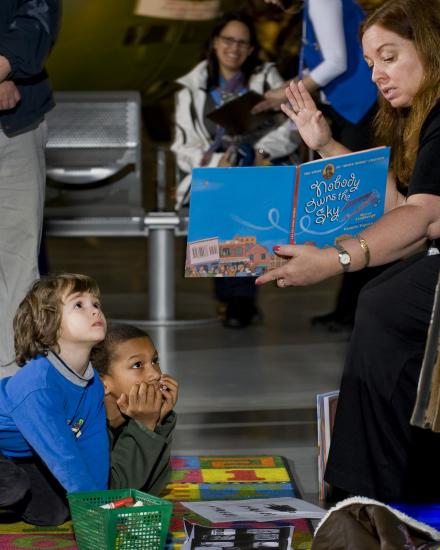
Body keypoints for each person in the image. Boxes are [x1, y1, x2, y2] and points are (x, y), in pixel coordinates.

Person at [256, 0, 440, 502]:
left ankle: (375, 492)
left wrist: (336, 259)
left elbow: (421, 219)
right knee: (386, 296)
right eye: (371, 63)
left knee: (387, 301)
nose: (378, 74)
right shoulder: (422, 117)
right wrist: (325, 143)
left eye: (389, 56)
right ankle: (380, 485)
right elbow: (403, 202)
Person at [260, 0, 383, 333]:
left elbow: (335, 62)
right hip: (349, 112)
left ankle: (360, 310)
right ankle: (349, 308)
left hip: (358, 112)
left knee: (364, 211)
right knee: (355, 213)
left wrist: (284, 93)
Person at [171, 11, 299, 328]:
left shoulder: (267, 80)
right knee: (224, 188)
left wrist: (261, 149)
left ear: (252, 49)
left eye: (243, 43)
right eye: (228, 40)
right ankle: (236, 298)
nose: (235, 48)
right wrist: (217, 162)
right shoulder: (191, 89)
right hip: (214, 173)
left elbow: (294, 123)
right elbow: (182, 147)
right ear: (215, 43)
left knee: (244, 191)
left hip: (262, 166)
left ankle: (237, 299)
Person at [0, 273, 109, 525]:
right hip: (13, 450)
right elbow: (63, 454)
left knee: (54, 512)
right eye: (78, 305)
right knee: (11, 487)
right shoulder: (38, 384)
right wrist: (94, 510)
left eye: (96, 304)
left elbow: (94, 445)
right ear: (49, 323)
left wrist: (103, 503)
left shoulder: (93, 385)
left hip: (18, 454)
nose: (94, 311)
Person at [0, 1, 61, 375]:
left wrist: (5, 66)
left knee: (19, 261)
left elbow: (36, 21)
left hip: (16, 126)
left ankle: (10, 381)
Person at [92, 323, 178, 496]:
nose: (155, 373)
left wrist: (158, 423)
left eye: (155, 361)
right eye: (137, 365)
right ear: (103, 383)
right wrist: (144, 426)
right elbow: (112, 495)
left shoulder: (135, 419)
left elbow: (150, 489)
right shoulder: (88, 427)